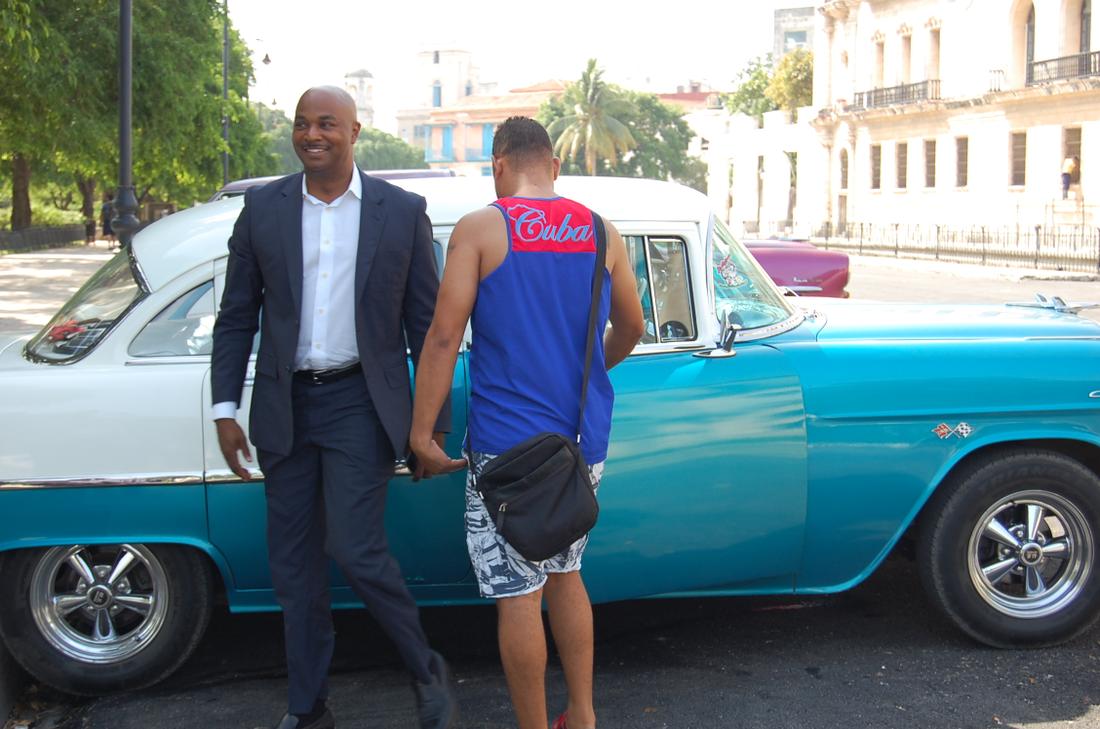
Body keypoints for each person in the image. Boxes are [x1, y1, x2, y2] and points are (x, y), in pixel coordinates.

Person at [210, 86, 456, 729]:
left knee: (355, 547)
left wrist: (427, 427)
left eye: (325, 124)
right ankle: (308, 706)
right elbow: (236, 317)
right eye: (301, 124)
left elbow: (427, 327)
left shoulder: (399, 212)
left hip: (359, 402)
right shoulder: (262, 209)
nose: (310, 134)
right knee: (292, 567)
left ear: (353, 132)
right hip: (284, 405)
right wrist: (223, 408)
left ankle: (427, 670)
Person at [409, 116, 645, 729]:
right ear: (554, 167)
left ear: (499, 165)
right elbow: (634, 327)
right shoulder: (600, 230)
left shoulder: (483, 228)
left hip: (506, 450)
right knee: (567, 573)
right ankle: (584, 715)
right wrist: (591, 370)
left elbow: (441, 339)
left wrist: (420, 433)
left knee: (519, 594)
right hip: (579, 441)